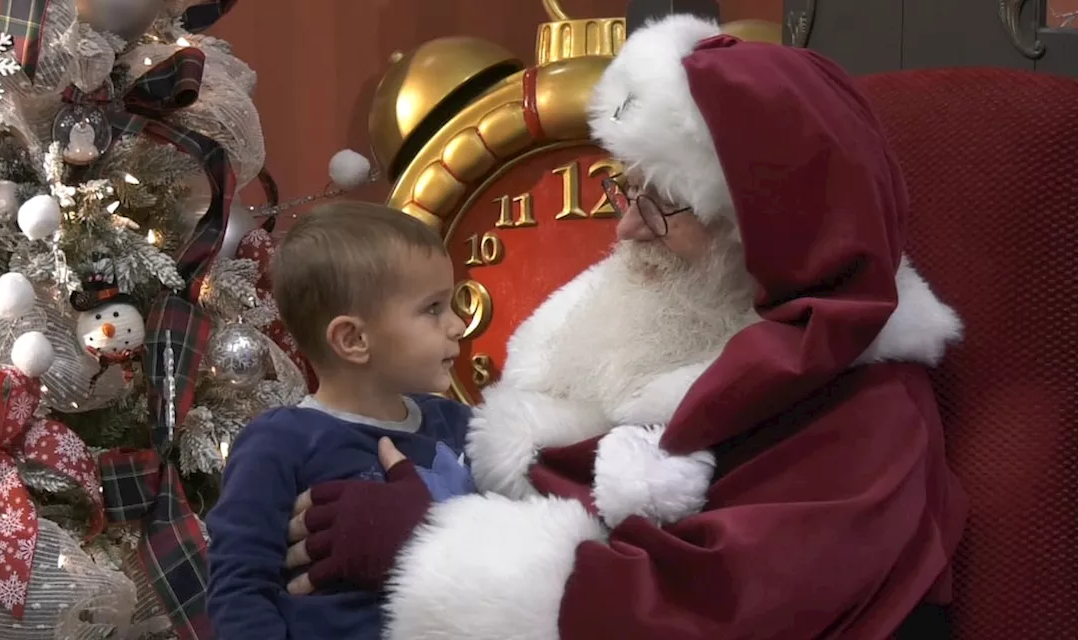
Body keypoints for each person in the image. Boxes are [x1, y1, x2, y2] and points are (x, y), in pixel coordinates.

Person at [283, 15, 968, 640]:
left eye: (666, 202)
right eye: (626, 185)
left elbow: (693, 612)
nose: (627, 226)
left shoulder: (866, 418)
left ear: (771, 234)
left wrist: (423, 547)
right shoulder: (629, 328)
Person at [205, 202, 474, 639]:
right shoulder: (280, 442)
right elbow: (240, 587)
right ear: (353, 339)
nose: (457, 325)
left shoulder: (460, 425)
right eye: (433, 309)